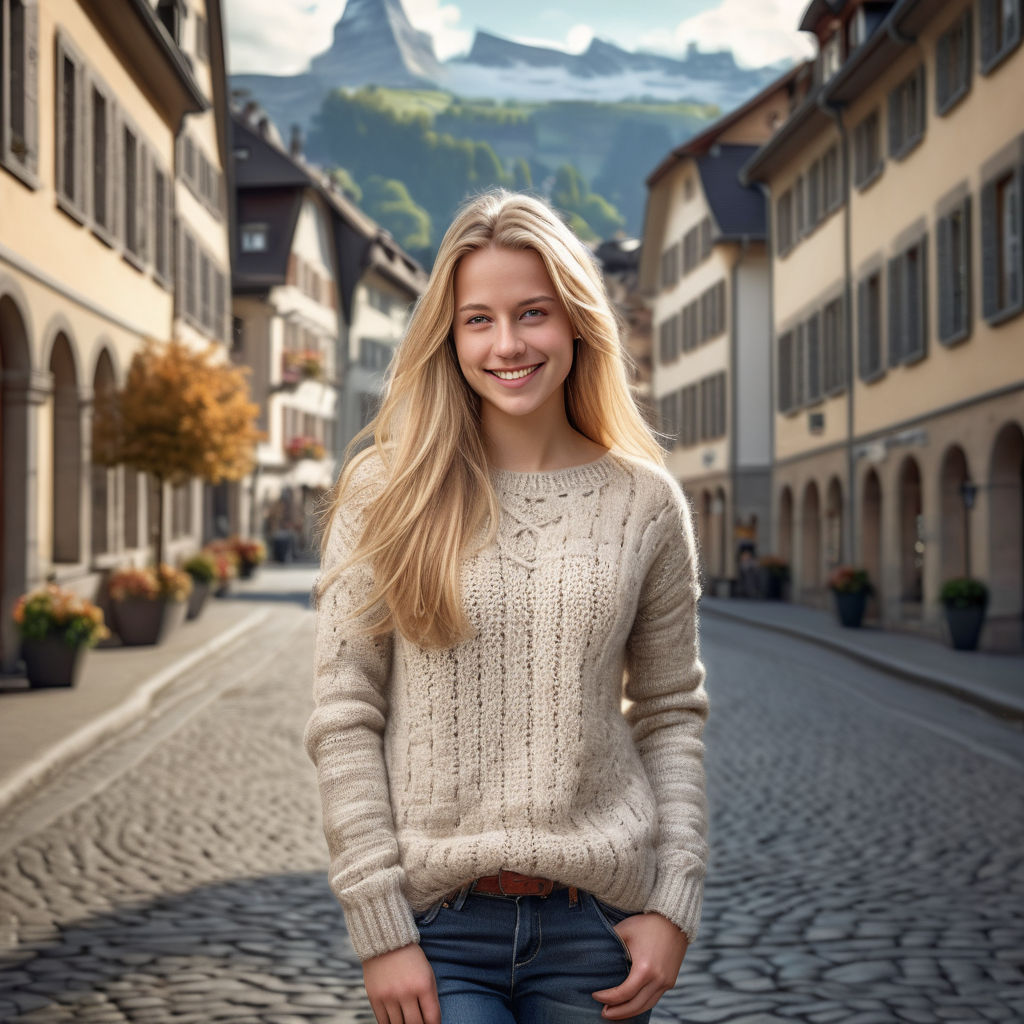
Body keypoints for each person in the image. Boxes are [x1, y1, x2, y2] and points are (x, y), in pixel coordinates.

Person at [305, 190, 709, 1024]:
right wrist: (380, 930)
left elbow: (670, 713)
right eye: (478, 320)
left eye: (533, 313)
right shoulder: (387, 495)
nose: (508, 344)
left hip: (594, 929)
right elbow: (345, 712)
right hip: (438, 931)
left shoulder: (645, 503)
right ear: (448, 339)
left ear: (577, 324)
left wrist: (674, 903)